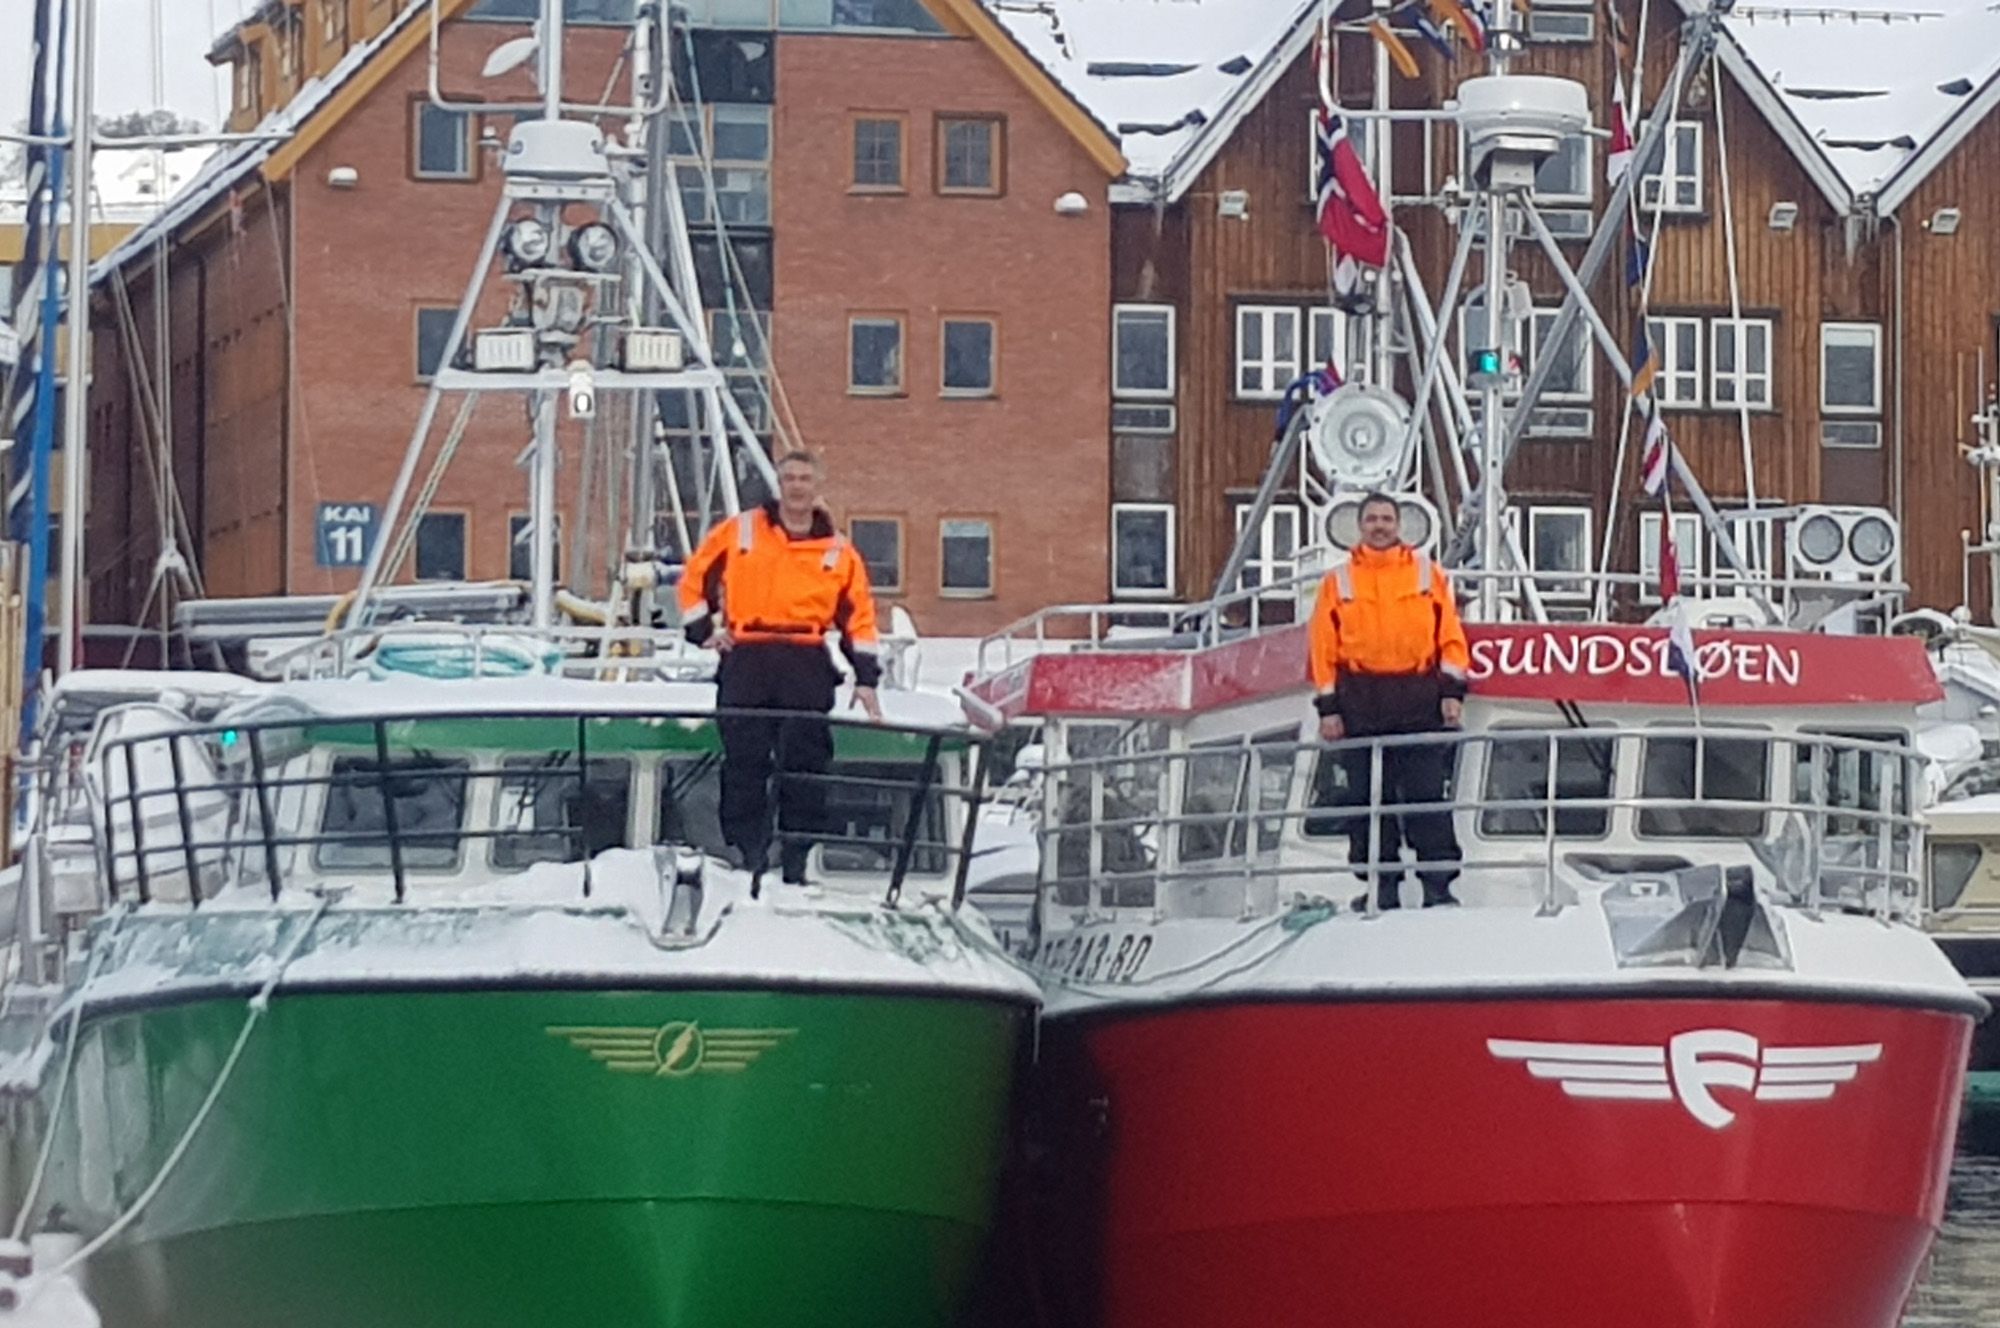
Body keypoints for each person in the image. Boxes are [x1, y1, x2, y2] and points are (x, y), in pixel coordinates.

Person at [678, 451, 882, 884]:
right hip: (747, 657)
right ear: (779, 483)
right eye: (789, 477)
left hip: (806, 659)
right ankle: (748, 850)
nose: (796, 486)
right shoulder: (741, 530)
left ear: (817, 485)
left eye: (805, 478)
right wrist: (702, 631)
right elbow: (695, 576)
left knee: (806, 763)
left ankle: (796, 855)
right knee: (744, 760)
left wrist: (866, 678)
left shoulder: (840, 551)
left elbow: (858, 617)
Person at [1307, 493, 1469, 909]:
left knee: (1426, 796)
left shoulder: (1428, 574)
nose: (1379, 526)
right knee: (1366, 800)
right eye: (1372, 519)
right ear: (1360, 526)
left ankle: (1438, 886)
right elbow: (1323, 650)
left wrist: (1452, 693)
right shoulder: (1337, 581)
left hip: (1418, 698)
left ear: (1399, 525)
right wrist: (1329, 709)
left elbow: (1451, 637)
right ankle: (1381, 885)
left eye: (1386, 519)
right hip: (1360, 701)